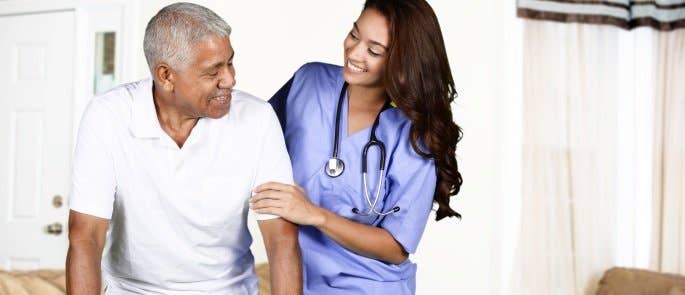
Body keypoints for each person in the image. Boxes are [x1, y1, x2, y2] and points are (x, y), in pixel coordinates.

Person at [66, 3, 301, 294]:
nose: (230, 79)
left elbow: (281, 240)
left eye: (229, 62)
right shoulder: (107, 116)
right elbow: (85, 237)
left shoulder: (257, 118)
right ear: (165, 76)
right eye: (213, 71)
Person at [250, 0, 463, 294]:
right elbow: (251, 137)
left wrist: (315, 214)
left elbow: (396, 247)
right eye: (354, 35)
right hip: (293, 273)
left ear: (403, 61)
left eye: (374, 50)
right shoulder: (309, 82)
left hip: (366, 284)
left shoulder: (414, 136)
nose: (354, 52)